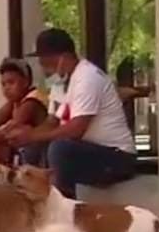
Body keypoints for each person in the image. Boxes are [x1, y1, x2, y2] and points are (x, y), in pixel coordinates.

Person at [8, 28, 137, 198]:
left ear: (64, 57)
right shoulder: (62, 84)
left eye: (47, 63)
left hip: (117, 156)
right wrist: (27, 135)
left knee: (60, 150)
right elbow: (51, 122)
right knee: (37, 146)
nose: (45, 70)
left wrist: (32, 136)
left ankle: (64, 209)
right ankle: (31, 198)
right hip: (91, 151)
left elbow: (76, 129)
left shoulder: (87, 79)